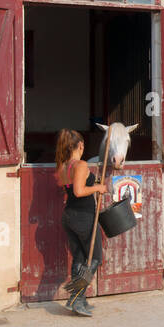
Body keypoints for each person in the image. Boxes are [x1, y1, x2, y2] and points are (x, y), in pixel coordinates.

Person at [55, 129, 109, 317]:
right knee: (94, 259)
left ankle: (76, 299)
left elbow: (69, 192)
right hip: (83, 217)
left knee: (79, 258)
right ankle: (77, 297)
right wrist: (98, 187)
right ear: (80, 145)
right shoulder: (81, 164)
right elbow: (78, 191)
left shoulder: (63, 166)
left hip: (69, 216)